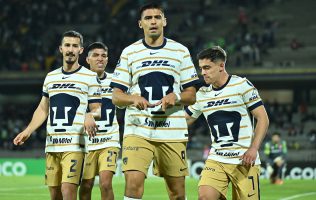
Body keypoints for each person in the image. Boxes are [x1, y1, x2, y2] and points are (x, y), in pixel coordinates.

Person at [110, 3, 199, 200]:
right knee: (133, 185)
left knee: (177, 193)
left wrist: (175, 96)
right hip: (138, 129)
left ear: (164, 22)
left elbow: (192, 94)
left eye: (157, 17)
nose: (153, 21)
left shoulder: (180, 51)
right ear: (140, 23)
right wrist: (133, 98)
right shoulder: (129, 52)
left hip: (172, 131)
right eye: (148, 18)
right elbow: (116, 96)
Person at [13, 30, 102, 200]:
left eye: (75, 46)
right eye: (67, 45)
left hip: (75, 145)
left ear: (81, 50)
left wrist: (91, 114)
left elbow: (97, 108)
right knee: (55, 195)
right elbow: (42, 108)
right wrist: (28, 130)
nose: (70, 49)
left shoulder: (90, 77)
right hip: (52, 144)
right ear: (61, 49)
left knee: (68, 191)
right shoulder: (50, 77)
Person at [185, 46, 269, 200]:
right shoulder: (202, 94)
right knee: (205, 196)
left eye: (207, 67)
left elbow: (263, 118)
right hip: (217, 159)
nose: (203, 72)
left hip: (244, 160)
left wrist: (253, 148)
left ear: (221, 66)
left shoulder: (242, 85)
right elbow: (186, 119)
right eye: (201, 68)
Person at [79, 42, 120, 200]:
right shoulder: (80, 82)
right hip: (87, 143)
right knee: (86, 186)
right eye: (95, 55)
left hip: (109, 140)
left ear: (107, 59)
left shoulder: (116, 82)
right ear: (88, 60)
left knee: (105, 183)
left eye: (103, 56)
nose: (100, 59)